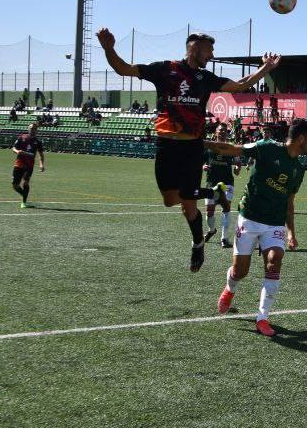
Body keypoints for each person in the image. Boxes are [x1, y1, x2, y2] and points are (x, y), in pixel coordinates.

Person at [97, 26, 279, 272]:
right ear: (195, 45)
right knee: (170, 201)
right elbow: (123, 69)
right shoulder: (164, 69)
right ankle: (213, 193)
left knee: (188, 204)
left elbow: (241, 85)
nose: (212, 55)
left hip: (192, 146)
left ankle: (197, 242)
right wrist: (109, 48)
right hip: (166, 144)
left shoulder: (206, 78)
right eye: (210, 49)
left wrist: (265, 68)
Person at [212, 118, 307, 336]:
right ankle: (230, 289)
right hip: (249, 217)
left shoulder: (299, 168)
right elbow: (232, 149)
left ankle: (262, 318)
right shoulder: (267, 147)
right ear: (300, 138)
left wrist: (291, 233)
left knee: (275, 259)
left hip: (274, 223)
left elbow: (290, 201)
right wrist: (197, 143)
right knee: (241, 272)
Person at [203, 127, 241, 247]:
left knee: (226, 209)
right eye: (220, 131)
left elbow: (238, 164)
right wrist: (203, 166)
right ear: (215, 132)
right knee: (209, 211)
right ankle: (212, 230)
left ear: (227, 134)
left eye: (224, 131)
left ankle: (224, 238)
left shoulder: (231, 148)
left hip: (226, 183)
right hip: (211, 182)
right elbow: (201, 161)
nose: (222, 133)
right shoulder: (209, 146)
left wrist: (237, 168)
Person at [11, 122, 47, 207]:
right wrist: (17, 151)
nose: (32, 130)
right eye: (31, 128)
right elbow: (14, 148)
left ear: (36, 130)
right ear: (28, 129)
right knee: (15, 185)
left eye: (34, 129)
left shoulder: (38, 141)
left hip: (29, 165)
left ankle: (24, 202)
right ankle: (24, 195)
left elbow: (41, 154)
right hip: (19, 163)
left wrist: (41, 164)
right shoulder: (21, 137)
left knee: (25, 183)